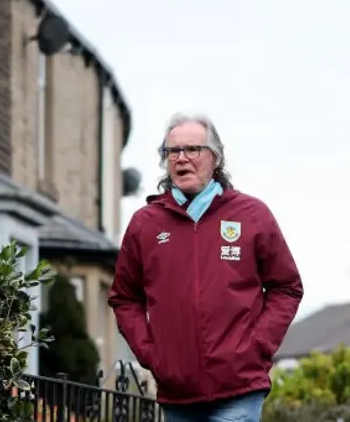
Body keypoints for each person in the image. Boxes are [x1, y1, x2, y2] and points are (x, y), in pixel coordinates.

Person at [108, 113, 303, 422]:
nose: (182, 158)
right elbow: (124, 297)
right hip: (177, 392)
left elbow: (287, 287)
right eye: (173, 151)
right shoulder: (145, 224)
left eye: (193, 149)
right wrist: (151, 354)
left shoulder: (252, 215)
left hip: (239, 386)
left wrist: (258, 345)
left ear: (216, 157)